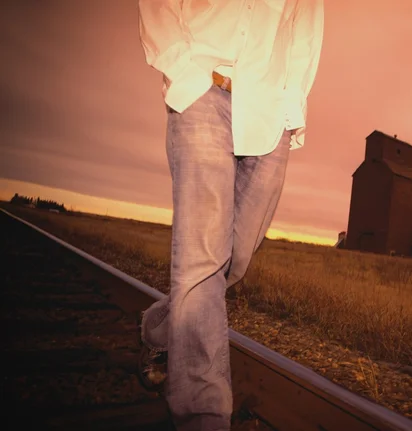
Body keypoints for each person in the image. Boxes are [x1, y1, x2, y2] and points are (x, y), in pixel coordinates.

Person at [136, 1, 324, 430]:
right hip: (202, 92)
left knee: (234, 259)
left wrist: (291, 108)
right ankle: (203, 413)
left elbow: (305, 28)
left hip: (269, 110)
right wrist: (183, 74)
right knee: (202, 262)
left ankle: (158, 330)